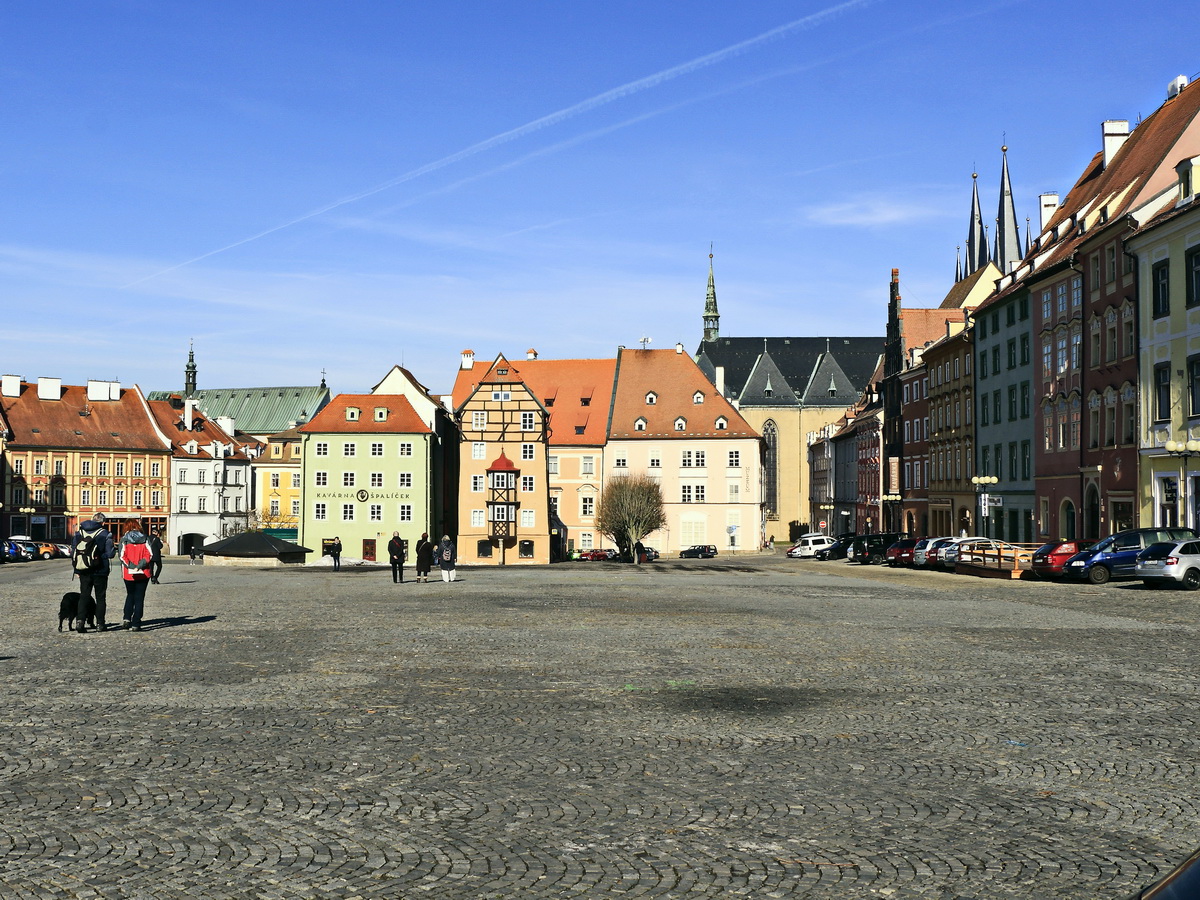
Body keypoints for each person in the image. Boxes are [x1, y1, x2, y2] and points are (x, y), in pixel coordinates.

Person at [70, 512, 116, 632]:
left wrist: (77, 569)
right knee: (100, 598)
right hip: (100, 570)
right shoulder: (106, 534)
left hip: (84, 569)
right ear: (103, 522)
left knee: (84, 596)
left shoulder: (79, 533)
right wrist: (101, 557)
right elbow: (110, 554)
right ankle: (100, 624)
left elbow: (74, 552)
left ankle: (80, 622)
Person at [119, 518, 153, 632]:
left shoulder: (124, 539)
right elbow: (149, 554)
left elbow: (121, 556)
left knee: (130, 595)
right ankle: (136, 623)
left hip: (128, 573)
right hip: (144, 572)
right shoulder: (145, 538)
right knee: (139, 597)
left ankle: (127, 618)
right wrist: (141, 564)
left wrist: (131, 566)